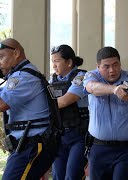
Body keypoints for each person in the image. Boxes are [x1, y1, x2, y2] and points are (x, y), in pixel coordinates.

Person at [0, 38, 61, 180]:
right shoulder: (19, 76)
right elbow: (4, 95)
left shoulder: (23, 77)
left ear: (16, 53)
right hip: (28, 144)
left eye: (1, 57)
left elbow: (1, 104)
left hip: (32, 145)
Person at [82, 46, 128, 180]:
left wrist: (127, 96)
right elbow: (92, 87)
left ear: (120, 63)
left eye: (115, 65)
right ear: (98, 66)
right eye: (106, 66)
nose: (112, 70)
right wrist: (114, 90)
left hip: (127, 149)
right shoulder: (91, 76)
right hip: (99, 148)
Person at [49, 45, 89, 179]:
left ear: (69, 62)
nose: (54, 65)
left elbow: (65, 101)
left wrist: (44, 106)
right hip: (59, 135)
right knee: (58, 175)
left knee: (72, 176)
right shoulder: (52, 80)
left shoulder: (82, 77)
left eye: (57, 61)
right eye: (52, 61)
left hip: (79, 135)